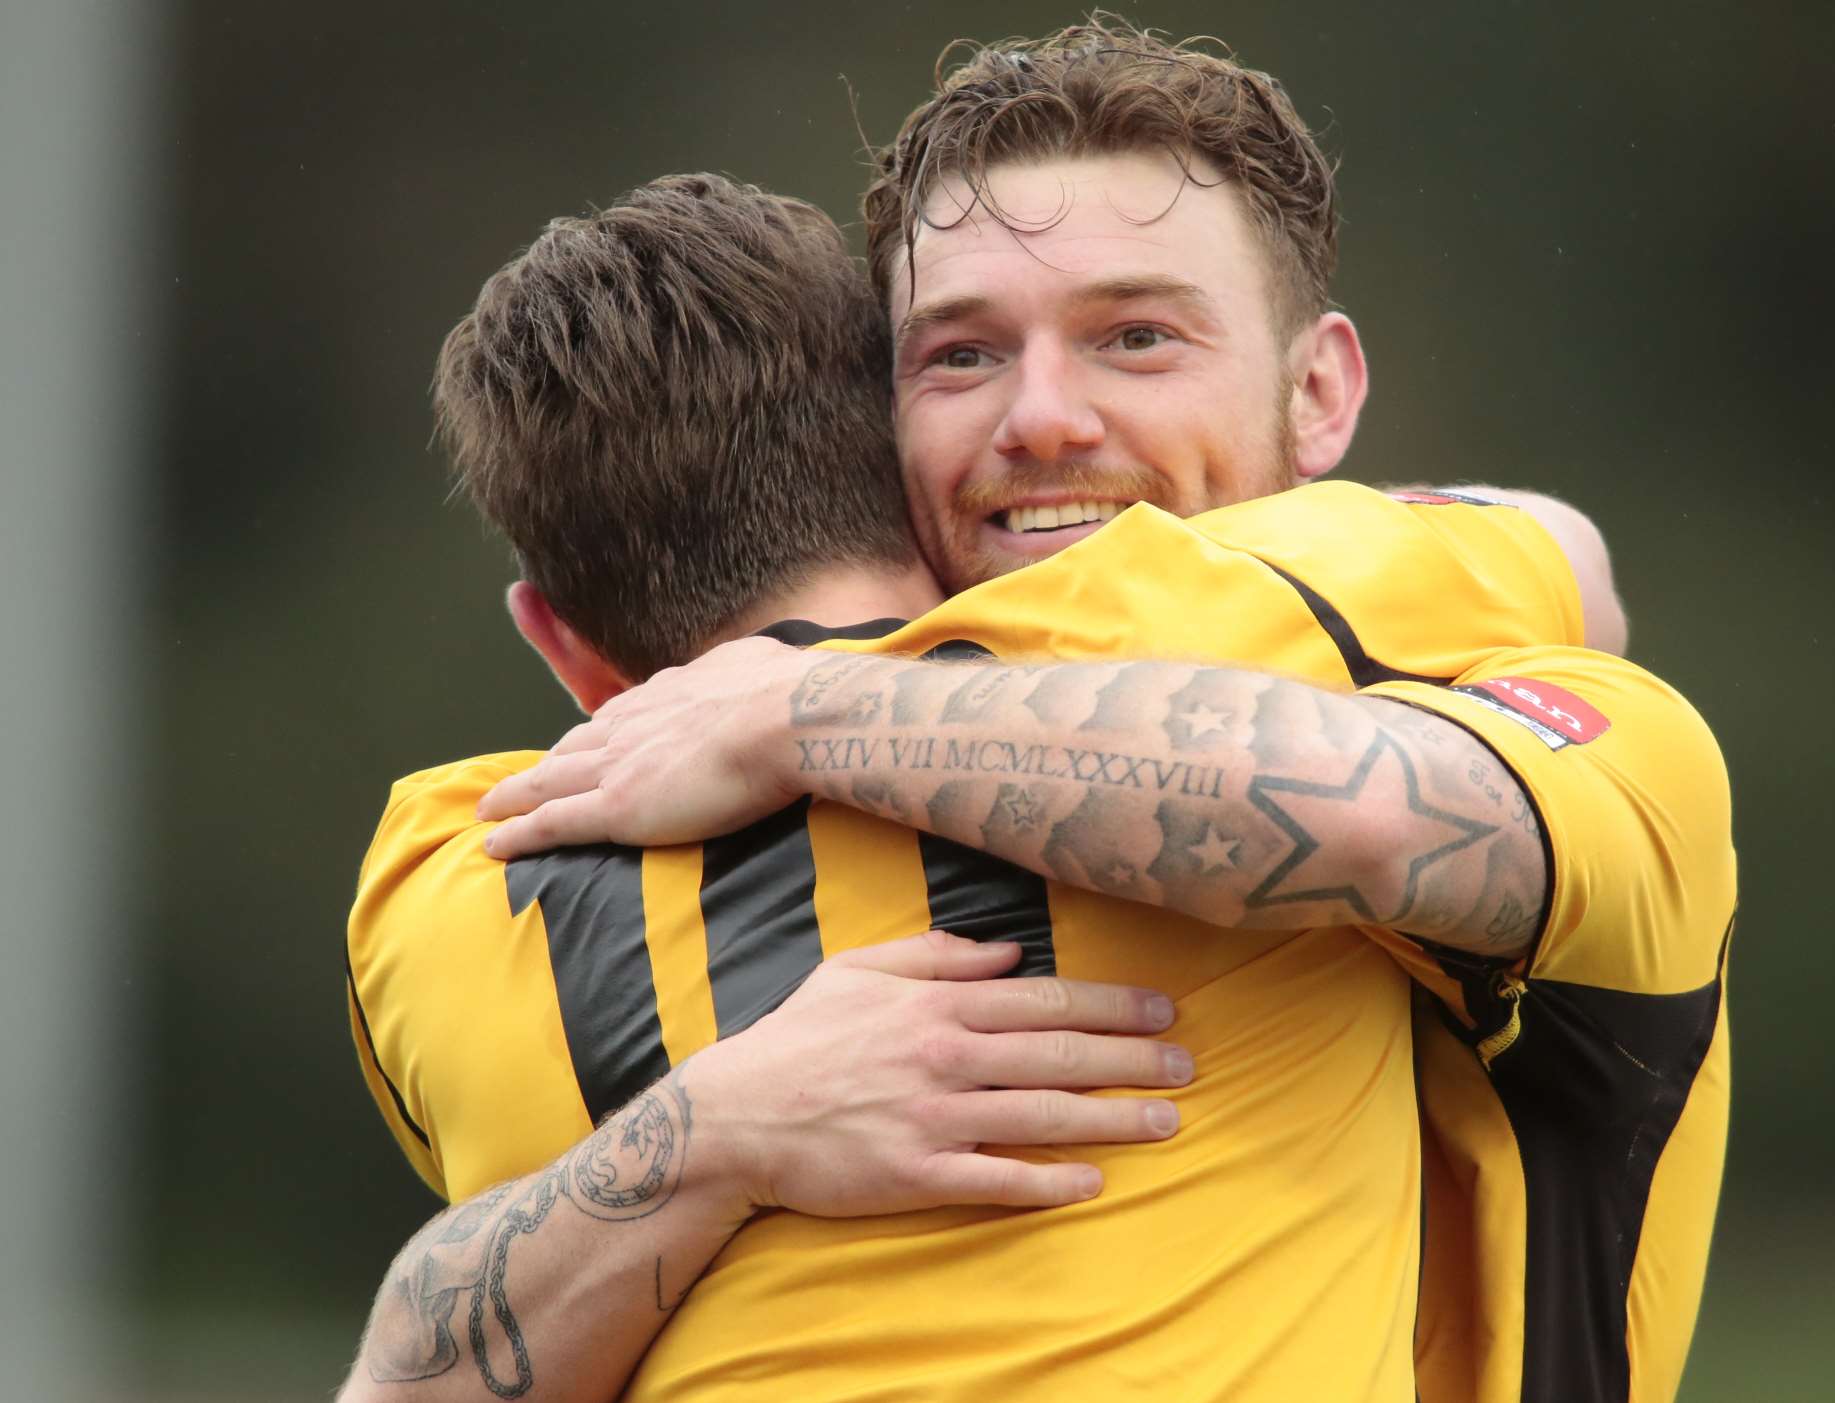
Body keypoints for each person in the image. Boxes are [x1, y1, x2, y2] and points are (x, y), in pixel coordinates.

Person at [345, 18, 1730, 1403]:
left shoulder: (462, 861)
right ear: (872, 445)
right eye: (957, 357)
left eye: (1135, 336)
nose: (1043, 419)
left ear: (1318, 396)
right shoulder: (514, 834)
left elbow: (1387, 788)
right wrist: (716, 1135)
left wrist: (807, 710)